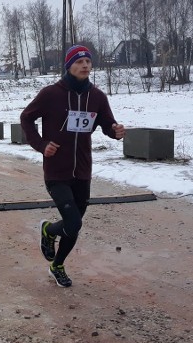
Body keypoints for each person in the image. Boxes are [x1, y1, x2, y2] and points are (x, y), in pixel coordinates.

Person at [20, 45, 126, 288]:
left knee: (73, 223)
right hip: (57, 171)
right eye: (79, 62)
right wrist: (41, 144)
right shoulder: (50, 94)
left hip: (83, 171)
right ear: (69, 65)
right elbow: (26, 118)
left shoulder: (97, 97)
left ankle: (55, 258)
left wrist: (116, 131)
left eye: (88, 61)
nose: (85, 65)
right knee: (74, 222)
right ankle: (50, 238)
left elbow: (107, 123)